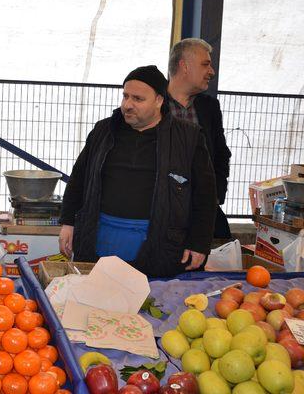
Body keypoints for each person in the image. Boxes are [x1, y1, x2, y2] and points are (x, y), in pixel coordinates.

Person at [58, 65, 217, 277]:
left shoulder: (187, 137)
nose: (127, 105)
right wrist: (68, 222)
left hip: (159, 242)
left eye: (138, 99)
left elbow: (205, 195)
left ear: (159, 101)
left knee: (151, 304)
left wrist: (199, 242)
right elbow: (78, 179)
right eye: (125, 96)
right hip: (101, 236)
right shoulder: (103, 131)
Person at [167, 38, 232, 239]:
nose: (211, 71)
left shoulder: (209, 107)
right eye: (205, 64)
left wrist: (215, 195)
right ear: (184, 66)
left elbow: (221, 155)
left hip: (201, 211)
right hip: (162, 211)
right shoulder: (154, 105)